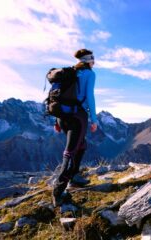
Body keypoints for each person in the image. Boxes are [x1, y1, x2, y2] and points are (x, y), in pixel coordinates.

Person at [52, 49, 98, 207]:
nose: (94, 61)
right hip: (77, 116)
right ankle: (58, 192)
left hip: (63, 116)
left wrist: (57, 121)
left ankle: (75, 176)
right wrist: (94, 119)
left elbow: (58, 96)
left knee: (81, 145)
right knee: (70, 152)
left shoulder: (70, 72)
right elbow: (90, 96)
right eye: (93, 58)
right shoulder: (89, 74)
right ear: (88, 60)